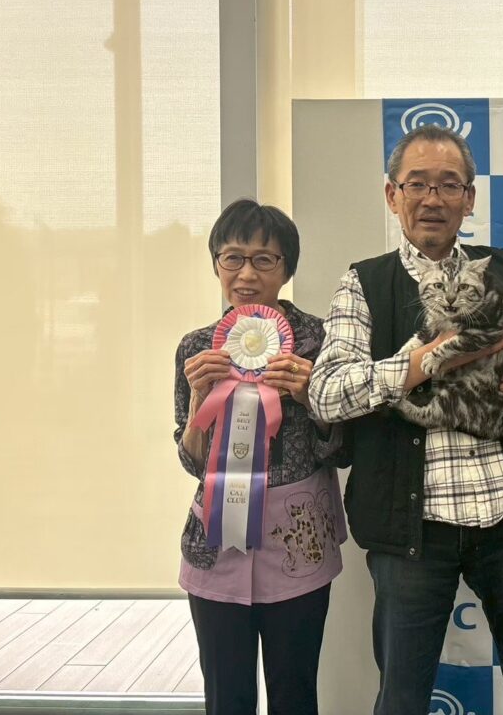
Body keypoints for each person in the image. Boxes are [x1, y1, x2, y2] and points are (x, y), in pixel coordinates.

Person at [308, 124, 503, 715]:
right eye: (416, 184)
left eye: (449, 185)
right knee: (401, 700)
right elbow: (325, 394)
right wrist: (424, 361)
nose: (432, 198)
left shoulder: (502, 267)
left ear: (469, 198)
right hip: (412, 530)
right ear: (391, 194)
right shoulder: (365, 282)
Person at [174, 198, 345, 715]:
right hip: (215, 546)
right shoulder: (196, 348)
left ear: (287, 269)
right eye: (233, 258)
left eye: (264, 260)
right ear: (216, 264)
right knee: (226, 697)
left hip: (298, 543)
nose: (246, 274)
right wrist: (199, 400)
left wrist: (311, 397)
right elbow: (191, 461)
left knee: (295, 693)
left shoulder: (321, 341)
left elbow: (343, 448)